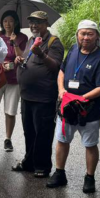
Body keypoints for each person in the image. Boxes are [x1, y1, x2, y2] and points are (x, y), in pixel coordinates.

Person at [48, 20, 100, 192]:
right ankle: (59, 173)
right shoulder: (73, 50)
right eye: (83, 33)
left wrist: (82, 98)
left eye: (90, 34)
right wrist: (61, 90)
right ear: (77, 35)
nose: (86, 37)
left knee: (90, 144)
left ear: (97, 36)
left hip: (89, 109)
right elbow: (62, 71)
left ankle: (90, 178)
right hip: (67, 106)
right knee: (62, 140)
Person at [12, 10, 64, 178]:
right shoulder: (31, 40)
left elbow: (55, 67)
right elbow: (27, 59)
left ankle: (42, 166)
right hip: (26, 95)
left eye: (38, 22)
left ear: (46, 24)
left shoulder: (54, 42)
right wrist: (19, 60)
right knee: (29, 132)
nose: (34, 25)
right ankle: (29, 162)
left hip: (43, 97)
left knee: (43, 132)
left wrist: (41, 54)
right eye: (32, 22)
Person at [0, 10, 28, 154]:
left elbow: (22, 57)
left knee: (10, 111)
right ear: (2, 22)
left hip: (14, 80)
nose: (8, 24)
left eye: (11, 21)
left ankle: (8, 139)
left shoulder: (22, 38)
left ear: (16, 22)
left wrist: (15, 42)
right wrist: (0, 64)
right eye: (5, 21)